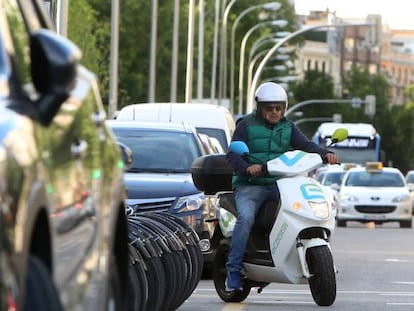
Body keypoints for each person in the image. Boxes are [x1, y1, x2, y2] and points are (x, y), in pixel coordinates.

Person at [225, 82, 339, 292]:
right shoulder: (246, 125)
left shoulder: (288, 127)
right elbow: (232, 154)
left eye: (278, 107)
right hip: (252, 184)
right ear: (259, 107)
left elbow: (306, 146)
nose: (274, 112)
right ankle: (233, 271)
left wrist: (325, 154)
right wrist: (247, 168)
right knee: (247, 217)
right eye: (269, 108)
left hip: (281, 183)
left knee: (298, 209)